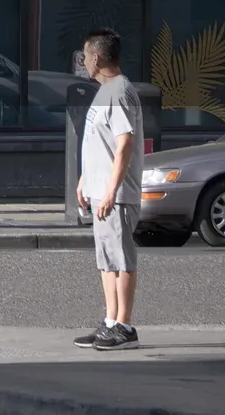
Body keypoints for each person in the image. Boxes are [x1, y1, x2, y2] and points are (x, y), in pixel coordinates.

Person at [74, 27, 144, 350]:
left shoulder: (119, 91)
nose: (84, 61)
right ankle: (111, 321)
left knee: (121, 258)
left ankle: (125, 326)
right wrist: (85, 180)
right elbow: (98, 143)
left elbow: (124, 143)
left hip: (115, 196)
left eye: (86, 55)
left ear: (97, 57)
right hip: (100, 193)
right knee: (106, 260)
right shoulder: (106, 91)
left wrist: (112, 190)